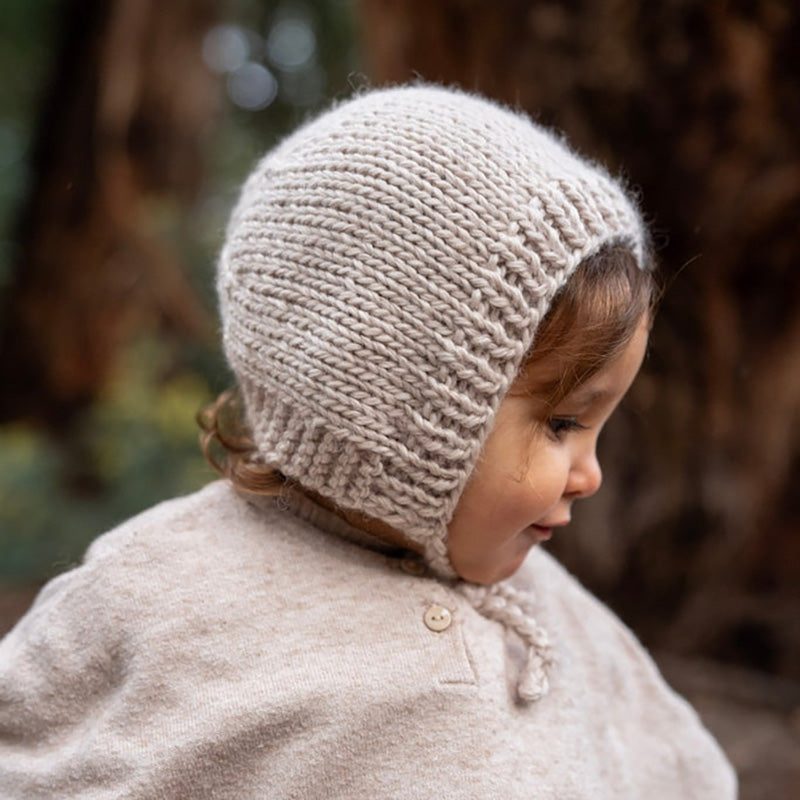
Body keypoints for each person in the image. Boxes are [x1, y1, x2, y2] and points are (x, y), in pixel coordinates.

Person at [0, 85, 736, 798]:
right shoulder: (165, 597)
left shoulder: (552, 613)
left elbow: (683, 774)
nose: (590, 475)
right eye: (563, 424)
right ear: (392, 405)